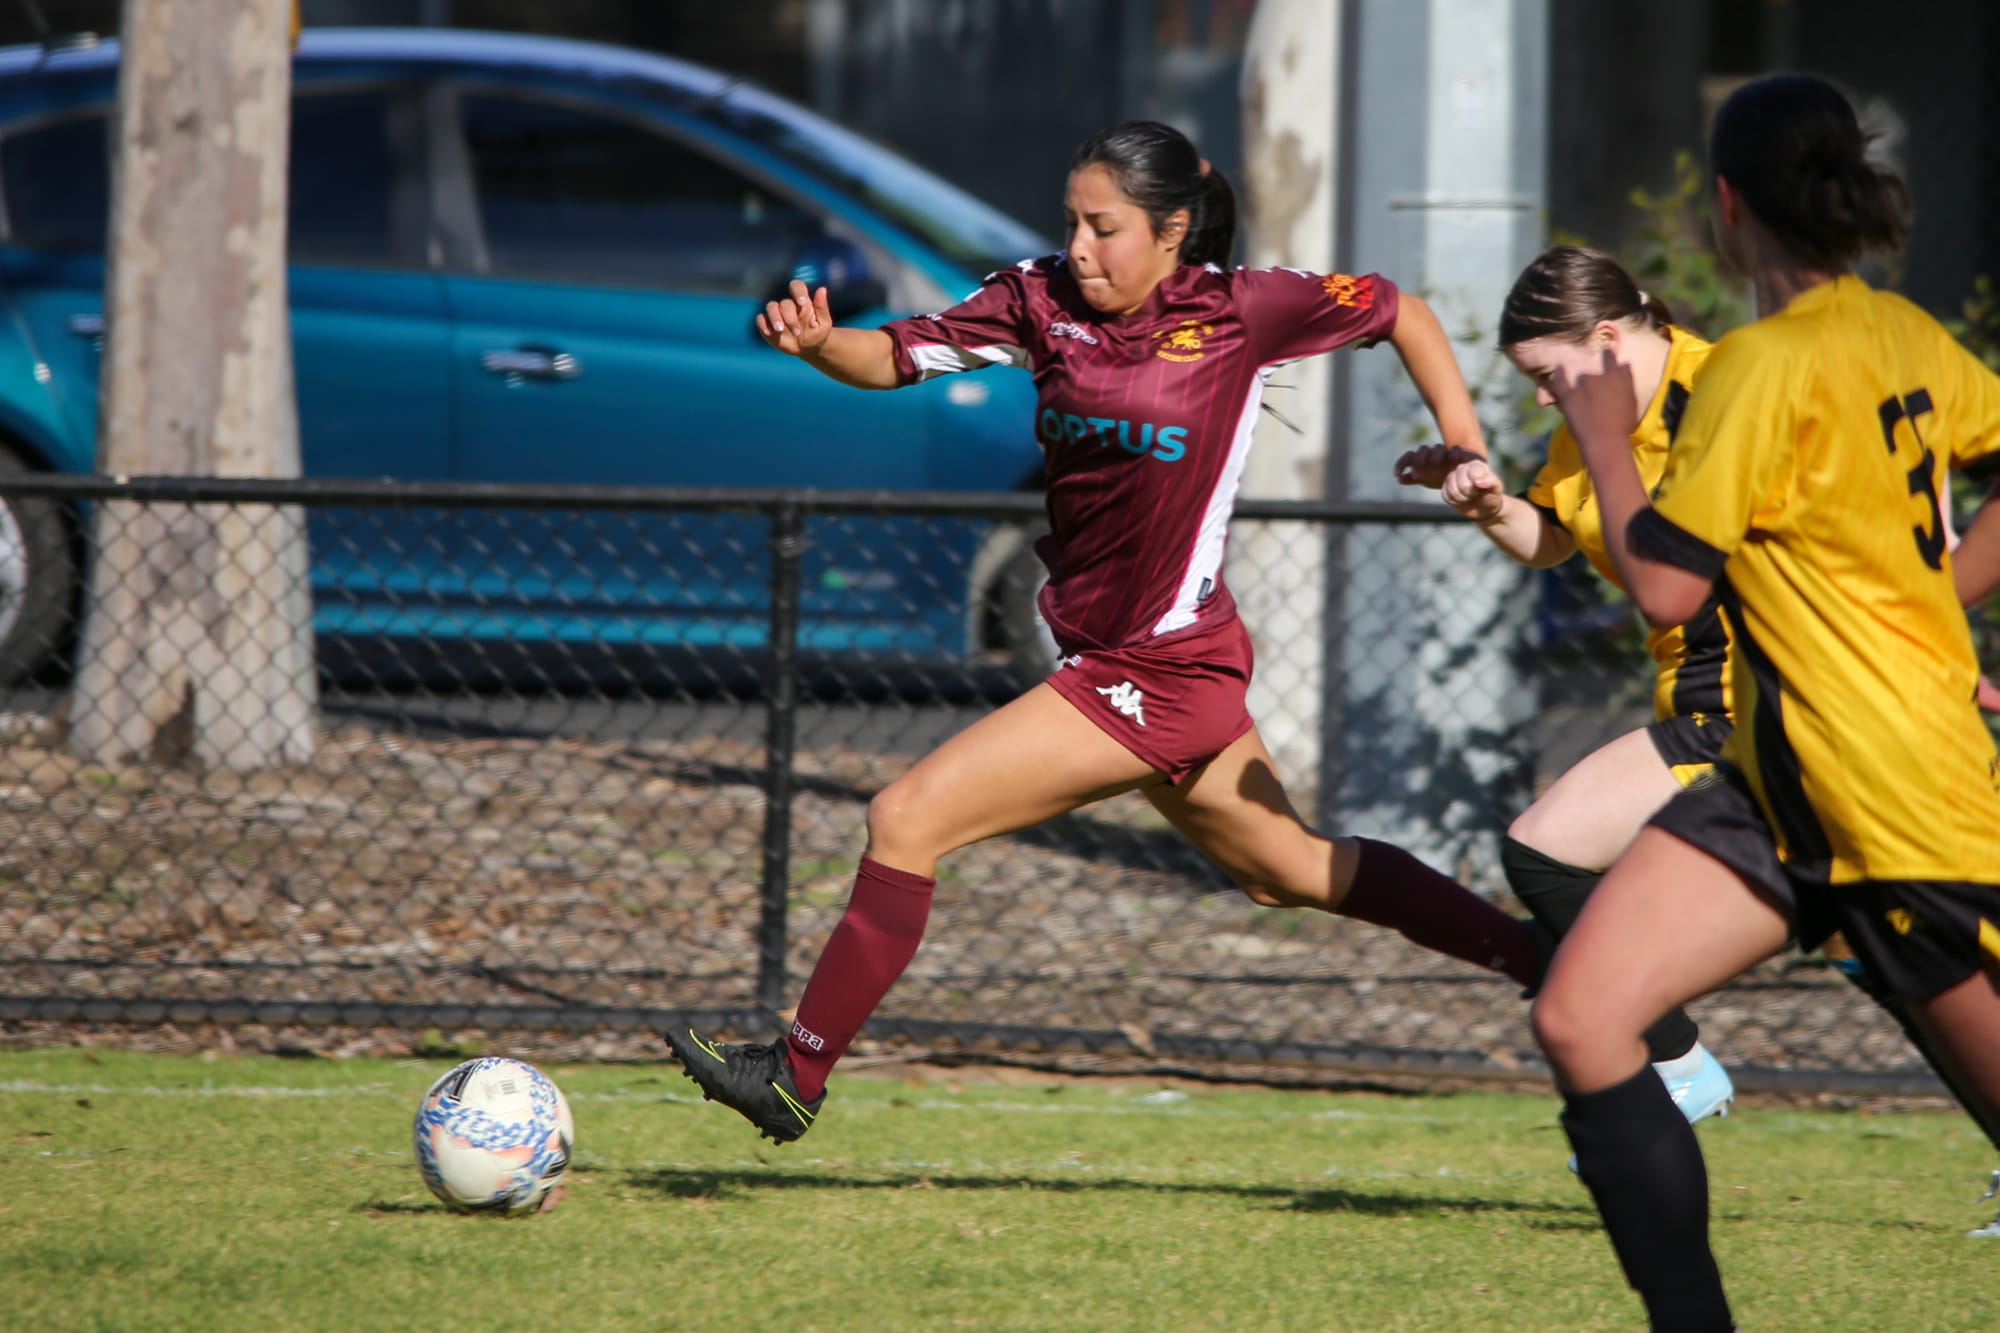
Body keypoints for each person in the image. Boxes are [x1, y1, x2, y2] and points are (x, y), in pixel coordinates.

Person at [663, 120, 1545, 1144]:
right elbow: (895, 355)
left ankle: (796, 1073)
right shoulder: (1037, 299)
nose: (1079, 248)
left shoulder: (1240, 310)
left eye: (1105, 227)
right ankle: (1546, 961)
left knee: (906, 817)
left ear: (1172, 231)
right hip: (1135, 660)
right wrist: (822, 345)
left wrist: (1465, 445)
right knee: (1289, 872)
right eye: (1072, 223)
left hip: (1158, 668)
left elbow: (1400, 310)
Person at [1529, 74, 2000, 1329]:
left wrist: (1604, 435)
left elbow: (1664, 586)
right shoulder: (1898, 333)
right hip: (1782, 774)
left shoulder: (1759, 364)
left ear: (1726, 205)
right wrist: (1939, 595)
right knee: (1583, 1014)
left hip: (1888, 791)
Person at [1394, 246, 1737, 1144]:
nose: (1544, 398)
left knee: (1548, 852)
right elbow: (1553, 535)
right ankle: (1674, 1067)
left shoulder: (1730, 392)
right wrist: (1486, 504)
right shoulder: (1591, 422)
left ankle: (1677, 1068)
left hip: (1771, 701)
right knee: (1551, 858)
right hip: (1701, 700)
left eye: (1548, 375)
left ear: (1610, 338)